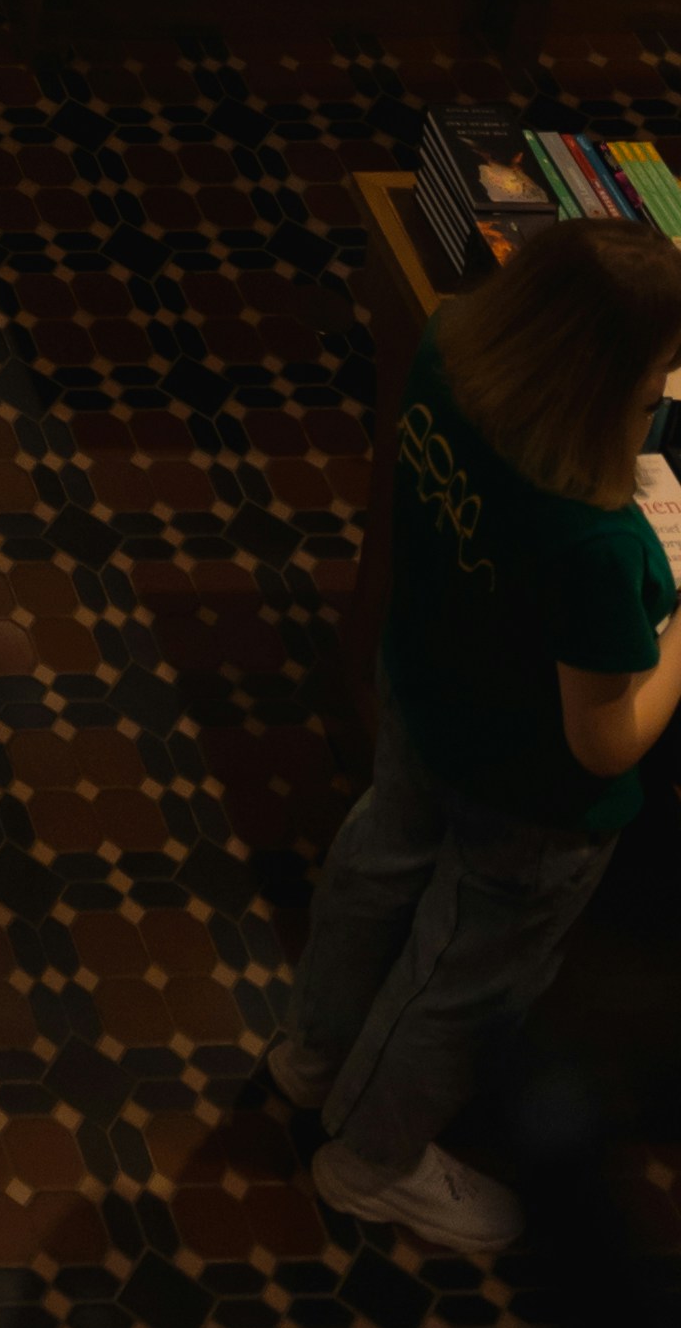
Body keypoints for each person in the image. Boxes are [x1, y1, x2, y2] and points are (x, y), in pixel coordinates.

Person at [272, 214, 681, 1254]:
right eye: (652, 384)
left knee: (378, 861)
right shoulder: (593, 542)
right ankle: (371, 1162)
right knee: (465, 971)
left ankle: (312, 1056)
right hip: (528, 796)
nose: (660, 398)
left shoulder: (452, 349)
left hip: (423, 688)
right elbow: (607, 741)